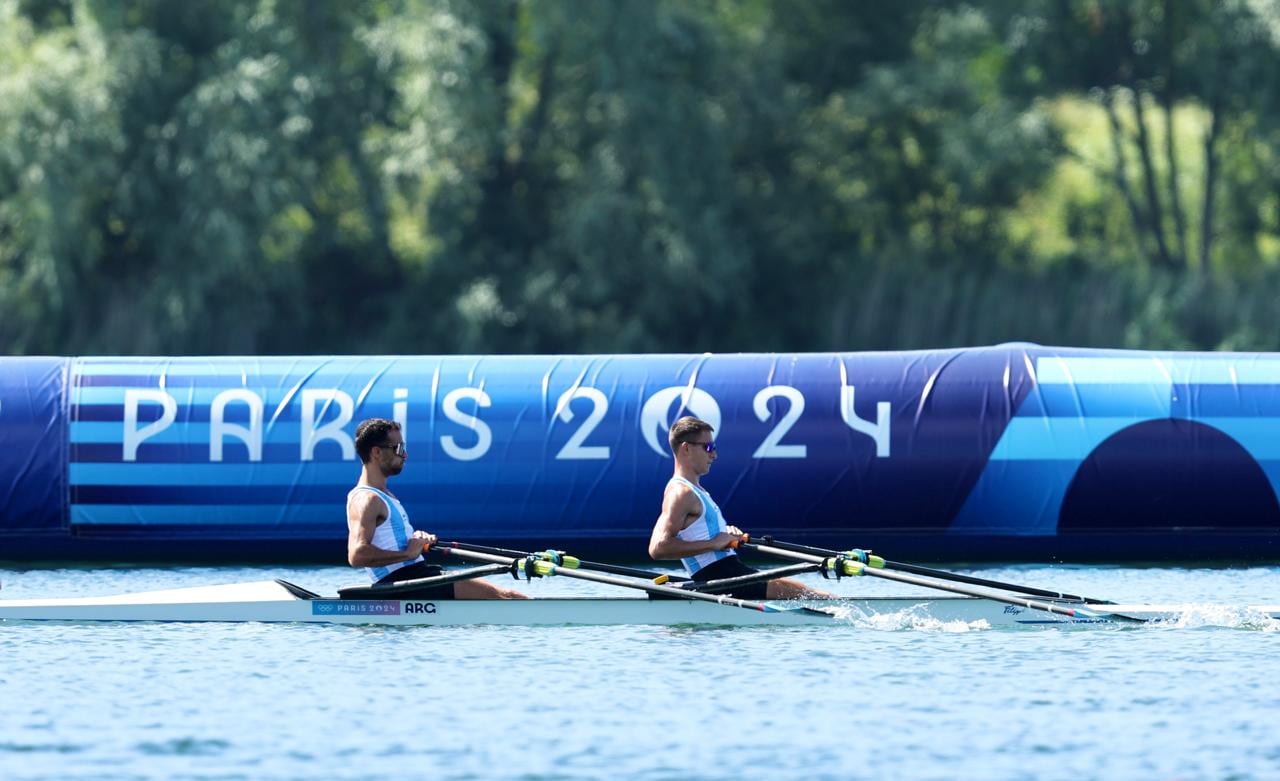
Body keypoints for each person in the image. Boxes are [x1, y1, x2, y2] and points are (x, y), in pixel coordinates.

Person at [648, 416, 829, 600]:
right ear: (686, 448)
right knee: (811, 595)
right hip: (718, 578)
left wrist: (723, 534)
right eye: (708, 447)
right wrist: (714, 542)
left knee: (803, 591)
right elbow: (658, 548)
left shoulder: (696, 491)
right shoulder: (681, 492)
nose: (714, 455)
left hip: (729, 572)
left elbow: (697, 532)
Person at [347, 418, 526, 599]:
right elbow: (357, 554)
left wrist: (417, 540)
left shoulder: (384, 495)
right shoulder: (367, 499)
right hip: (404, 582)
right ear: (376, 452)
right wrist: (407, 553)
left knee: (506, 596)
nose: (405, 455)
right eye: (399, 448)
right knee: (508, 596)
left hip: (417, 576)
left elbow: (390, 542)